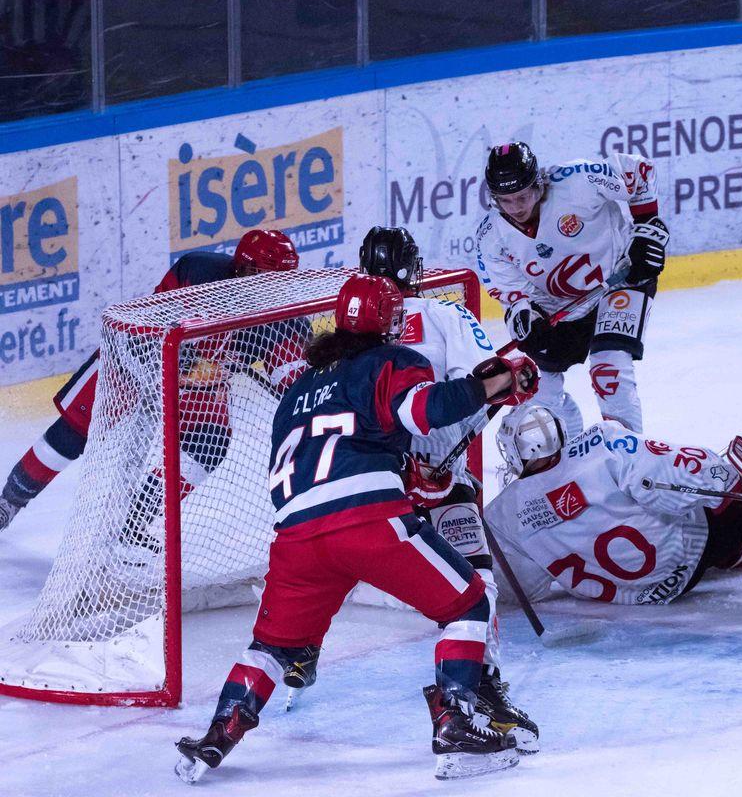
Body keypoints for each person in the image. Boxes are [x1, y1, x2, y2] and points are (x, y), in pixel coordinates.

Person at [174, 274, 540, 782]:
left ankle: (216, 737)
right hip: (367, 521)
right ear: (390, 323)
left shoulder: (296, 392)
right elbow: (423, 411)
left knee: (272, 648)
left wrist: (398, 465)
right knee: (470, 602)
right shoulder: (392, 360)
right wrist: (491, 384)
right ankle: (455, 724)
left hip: (295, 536)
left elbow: (324, 455)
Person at [321, 225, 535, 752]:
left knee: (319, 579)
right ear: (415, 271)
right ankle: (476, 692)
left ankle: (277, 665)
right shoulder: (445, 315)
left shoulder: (344, 337)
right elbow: (480, 384)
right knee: (473, 587)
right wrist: (508, 383)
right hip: (424, 485)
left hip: (364, 490)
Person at [0, 230, 302, 535]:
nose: (273, 289)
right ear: (243, 267)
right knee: (72, 433)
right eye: (266, 277)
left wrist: (300, 393)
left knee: (208, 443)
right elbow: (153, 325)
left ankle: (134, 524)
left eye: (281, 280)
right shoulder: (199, 272)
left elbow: (294, 382)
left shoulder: (288, 318)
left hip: (198, 386)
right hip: (136, 358)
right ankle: (8, 502)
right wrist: (186, 357)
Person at [485, 404, 742, 616]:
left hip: (632, 597)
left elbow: (516, 589)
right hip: (688, 553)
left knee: (726, 529)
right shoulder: (602, 443)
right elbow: (674, 476)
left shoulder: (503, 515)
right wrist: (731, 481)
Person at [473, 141, 668, 438]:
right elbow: (512, 293)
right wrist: (527, 317)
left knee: (608, 366)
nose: (517, 207)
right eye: (506, 200)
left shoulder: (577, 181)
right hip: (559, 306)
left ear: (538, 183)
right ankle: (566, 443)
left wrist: (646, 228)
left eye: (523, 196)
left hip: (622, 277)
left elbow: (640, 171)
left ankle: (630, 454)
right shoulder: (491, 237)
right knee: (537, 389)